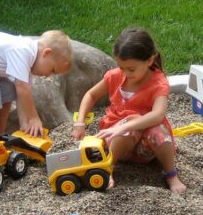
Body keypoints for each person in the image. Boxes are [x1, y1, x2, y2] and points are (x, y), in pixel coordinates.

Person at [72, 27, 186, 193]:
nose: (125, 73)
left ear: (149, 61)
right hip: (116, 144)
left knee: (153, 129)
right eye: (121, 67)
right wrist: (80, 122)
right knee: (128, 127)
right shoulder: (115, 76)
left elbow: (158, 114)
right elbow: (91, 94)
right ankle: (107, 168)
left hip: (146, 149)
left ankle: (171, 174)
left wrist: (126, 126)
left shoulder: (158, 83)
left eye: (131, 69)